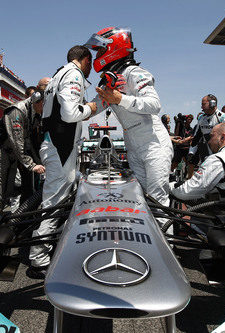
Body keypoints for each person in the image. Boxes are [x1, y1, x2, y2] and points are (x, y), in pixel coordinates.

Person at [28, 46, 97, 278]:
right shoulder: (74, 74)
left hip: (56, 145)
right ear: (85, 60)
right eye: (91, 62)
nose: (92, 67)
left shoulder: (58, 74)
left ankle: (49, 246)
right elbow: (69, 113)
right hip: (60, 147)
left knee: (58, 198)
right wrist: (93, 107)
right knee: (53, 203)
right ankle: (38, 259)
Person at [85, 26, 173, 208]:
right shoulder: (109, 81)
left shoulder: (134, 73)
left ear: (114, 47)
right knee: (139, 201)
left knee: (158, 203)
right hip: (133, 148)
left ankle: (166, 236)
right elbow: (91, 109)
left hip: (154, 146)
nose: (97, 55)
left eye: (100, 49)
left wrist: (120, 99)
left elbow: (154, 104)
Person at [0, 81, 46, 214]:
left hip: (11, 152)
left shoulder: (34, 112)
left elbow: (31, 141)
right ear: (37, 101)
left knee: (7, 189)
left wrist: (39, 161)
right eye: (45, 105)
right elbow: (17, 141)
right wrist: (31, 165)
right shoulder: (17, 111)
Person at [187, 94, 225, 178]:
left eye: (203, 104)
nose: (201, 107)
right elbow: (197, 136)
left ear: (212, 104)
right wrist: (191, 152)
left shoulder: (224, 118)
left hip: (221, 154)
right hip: (206, 153)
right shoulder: (201, 118)